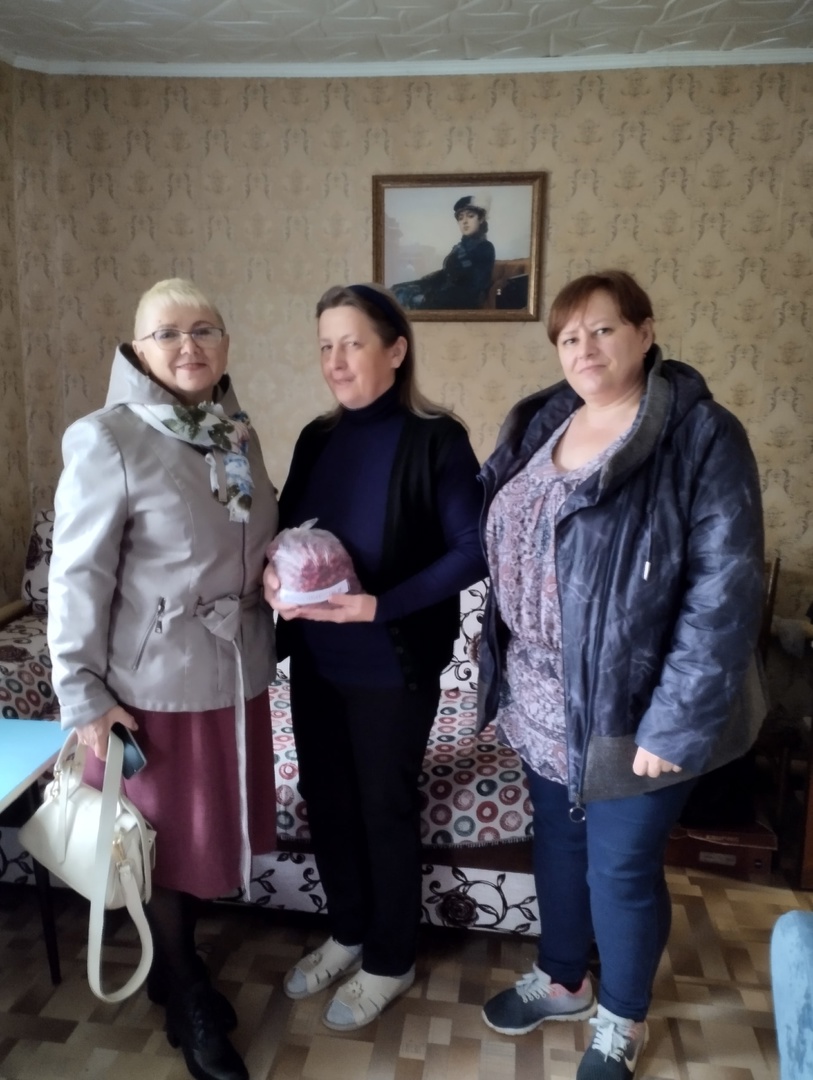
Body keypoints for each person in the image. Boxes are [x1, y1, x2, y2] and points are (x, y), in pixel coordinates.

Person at [476, 270, 765, 1079]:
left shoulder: (699, 435)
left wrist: (675, 723)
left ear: (644, 331)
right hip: (540, 697)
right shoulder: (541, 422)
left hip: (635, 707)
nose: (584, 348)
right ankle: (563, 979)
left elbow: (724, 590)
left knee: (621, 866)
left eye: (602, 329)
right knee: (559, 850)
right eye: (568, 336)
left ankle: (622, 1017)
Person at [48, 278, 278, 1080]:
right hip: (152, 688)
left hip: (235, 672)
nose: (188, 346)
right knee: (161, 848)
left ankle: (179, 968)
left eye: (204, 329)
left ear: (226, 343)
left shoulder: (234, 430)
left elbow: (246, 536)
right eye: (167, 333)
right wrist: (84, 695)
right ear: (137, 351)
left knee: (202, 841)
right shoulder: (105, 438)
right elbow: (76, 577)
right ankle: (181, 989)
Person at [265, 282, 486, 1031]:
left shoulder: (436, 439)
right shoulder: (315, 438)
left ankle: (390, 958)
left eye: (351, 343)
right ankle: (348, 932)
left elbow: (473, 549)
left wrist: (380, 605)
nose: (335, 360)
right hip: (316, 660)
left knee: (381, 807)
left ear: (395, 350)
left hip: (392, 664)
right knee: (326, 802)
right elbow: (287, 532)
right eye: (324, 346)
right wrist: (272, 577)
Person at [392, 192, 496, 310]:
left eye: (470, 216)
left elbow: (475, 287)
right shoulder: (460, 247)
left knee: (414, 300)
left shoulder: (485, 247)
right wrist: (422, 284)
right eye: (460, 218)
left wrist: (430, 296)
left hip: (463, 301)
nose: (464, 221)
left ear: (481, 219)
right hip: (446, 294)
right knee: (398, 290)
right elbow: (446, 274)